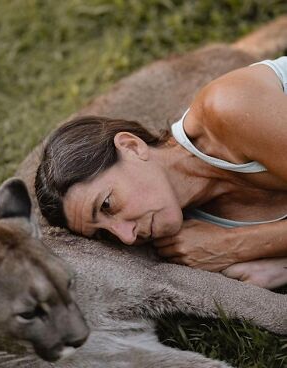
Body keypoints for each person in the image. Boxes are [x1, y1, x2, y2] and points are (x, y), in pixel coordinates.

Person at [35, 57, 287, 290]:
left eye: (107, 204)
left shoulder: (228, 109)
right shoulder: (196, 236)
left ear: (131, 147)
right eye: (104, 234)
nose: (127, 236)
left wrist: (234, 245)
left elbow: (235, 246)